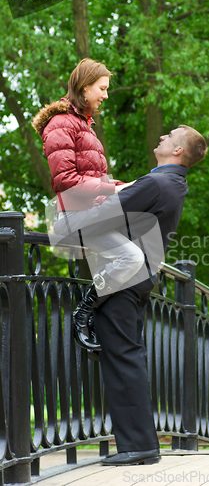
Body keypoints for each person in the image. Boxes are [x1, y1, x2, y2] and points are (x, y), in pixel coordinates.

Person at [71, 124, 208, 465]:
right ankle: (140, 444)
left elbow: (100, 218)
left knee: (123, 359)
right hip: (138, 279)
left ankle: (138, 446)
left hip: (124, 282)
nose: (161, 136)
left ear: (177, 151)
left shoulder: (157, 182)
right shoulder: (173, 183)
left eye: (170, 136)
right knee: (127, 357)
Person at [31, 58, 144, 350]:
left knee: (143, 251)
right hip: (72, 218)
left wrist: (125, 186)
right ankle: (83, 315)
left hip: (91, 215)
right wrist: (113, 190)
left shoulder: (84, 124)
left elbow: (93, 178)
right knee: (132, 258)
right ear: (84, 88)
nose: (106, 95)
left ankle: (102, 319)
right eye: (102, 88)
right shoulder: (61, 124)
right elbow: (66, 181)